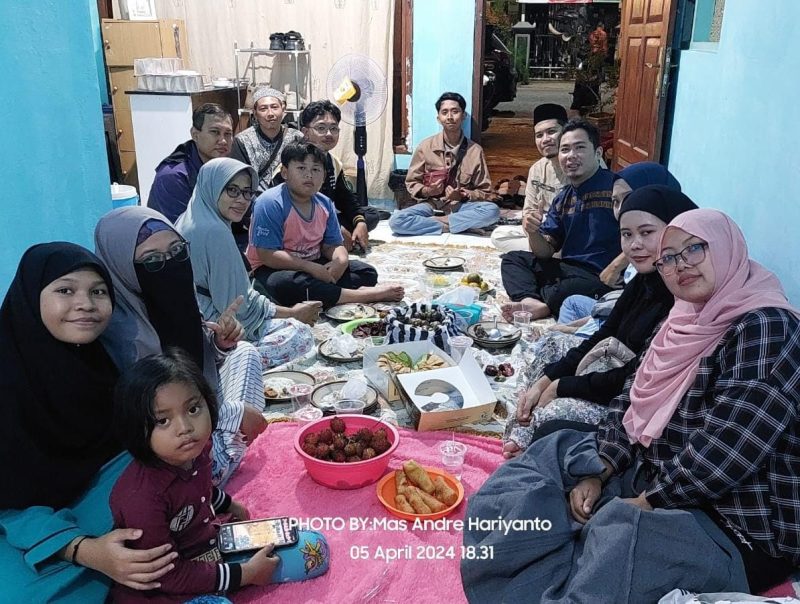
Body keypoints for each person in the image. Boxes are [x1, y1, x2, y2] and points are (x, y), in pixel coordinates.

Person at [464, 209, 800, 601]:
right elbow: (631, 397)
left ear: (727, 248)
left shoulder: (768, 328)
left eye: (694, 249)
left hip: (736, 520)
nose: (680, 266)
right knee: (551, 452)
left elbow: (730, 449)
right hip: (653, 468)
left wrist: (646, 502)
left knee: (622, 535)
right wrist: (601, 470)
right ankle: (535, 553)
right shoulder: (680, 319)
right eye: (669, 258)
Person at [0, 243, 175, 603]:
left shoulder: (100, 362)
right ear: (31, 297)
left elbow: (125, 450)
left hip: (90, 497)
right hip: (16, 519)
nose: (85, 303)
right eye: (65, 290)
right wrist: (86, 551)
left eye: (98, 292)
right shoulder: (8, 378)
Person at [110, 350, 329, 603]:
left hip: (212, 549)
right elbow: (167, 575)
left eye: (193, 409)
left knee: (313, 551)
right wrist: (245, 574)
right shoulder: (142, 498)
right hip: (166, 590)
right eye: (162, 420)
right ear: (135, 428)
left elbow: (200, 489)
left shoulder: (196, 450)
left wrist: (229, 504)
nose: (185, 428)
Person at [502, 182, 696, 458]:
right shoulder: (645, 280)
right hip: (610, 368)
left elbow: (634, 378)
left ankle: (532, 436)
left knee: (557, 410)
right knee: (553, 344)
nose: (635, 245)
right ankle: (524, 425)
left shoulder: (681, 294)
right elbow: (604, 333)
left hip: (632, 401)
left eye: (647, 232)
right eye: (627, 234)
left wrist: (562, 387)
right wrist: (544, 382)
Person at [95, 206, 267, 487]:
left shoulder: (176, 301)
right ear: (122, 270)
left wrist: (220, 344)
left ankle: (231, 438)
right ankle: (217, 471)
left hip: (200, 404)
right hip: (174, 447)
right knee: (237, 422)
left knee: (245, 352)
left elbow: (194, 364)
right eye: (151, 261)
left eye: (177, 251)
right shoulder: (125, 336)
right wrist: (232, 412)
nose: (170, 264)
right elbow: (159, 419)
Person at [175, 158, 320, 369]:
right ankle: (232, 364)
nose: (242, 200)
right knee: (300, 334)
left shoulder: (191, 216)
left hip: (194, 325)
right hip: (217, 333)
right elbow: (238, 306)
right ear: (212, 187)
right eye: (232, 190)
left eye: (247, 192)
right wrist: (293, 313)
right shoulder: (214, 233)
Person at [248, 142, 404, 308]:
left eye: (316, 170)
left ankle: (327, 294)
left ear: (323, 177)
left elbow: (333, 245)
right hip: (273, 269)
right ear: (285, 173)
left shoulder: (325, 203)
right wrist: (310, 268)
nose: (309, 175)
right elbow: (267, 255)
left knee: (366, 272)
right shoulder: (270, 202)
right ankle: (361, 295)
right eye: (301, 168)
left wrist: (341, 261)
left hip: (314, 264)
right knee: (286, 283)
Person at [500, 118, 621, 320]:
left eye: (579, 148)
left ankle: (547, 302)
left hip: (600, 276)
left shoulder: (616, 188)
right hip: (569, 267)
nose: (571, 156)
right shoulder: (564, 196)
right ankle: (531, 300)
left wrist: (616, 267)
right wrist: (532, 232)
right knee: (513, 259)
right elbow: (546, 252)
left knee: (564, 290)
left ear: (598, 153)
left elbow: (648, 234)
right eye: (565, 150)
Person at [273, 100, 380, 251]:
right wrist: (336, 228)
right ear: (305, 132)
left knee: (371, 215)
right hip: (297, 220)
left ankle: (336, 236)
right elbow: (290, 207)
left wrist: (360, 223)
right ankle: (329, 239)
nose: (329, 134)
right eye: (321, 128)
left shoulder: (333, 162)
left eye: (334, 128)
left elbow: (346, 199)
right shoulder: (292, 162)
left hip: (325, 217)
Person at [389, 92, 500, 236]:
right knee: (397, 221)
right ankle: (454, 226)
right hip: (431, 206)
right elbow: (411, 182)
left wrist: (463, 195)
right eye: (444, 112)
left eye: (455, 111)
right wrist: (429, 191)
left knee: (492, 211)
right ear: (438, 118)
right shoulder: (425, 147)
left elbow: (485, 191)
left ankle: (441, 222)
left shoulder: (475, 151)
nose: (450, 117)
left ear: (463, 116)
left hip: (461, 207)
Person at [491, 103, 568, 253]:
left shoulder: (581, 163)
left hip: (573, 230)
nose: (545, 139)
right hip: (545, 229)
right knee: (498, 236)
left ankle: (551, 254)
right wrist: (531, 228)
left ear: (566, 132)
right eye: (539, 135)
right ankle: (549, 253)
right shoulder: (537, 169)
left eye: (551, 132)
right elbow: (528, 211)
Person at [148, 103, 234, 223]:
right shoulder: (174, 175)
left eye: (228, 134)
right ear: (195, 135)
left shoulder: (226, 167)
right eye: (215, 132)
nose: (223, 141)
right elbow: (182, 230)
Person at [230, 87, 303, 193]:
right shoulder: (243, 141)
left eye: (274, 107)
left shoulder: (296, 137)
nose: (270, 113)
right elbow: (239, 178)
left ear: (283, 109)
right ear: (255, 113)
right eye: (263, 109)